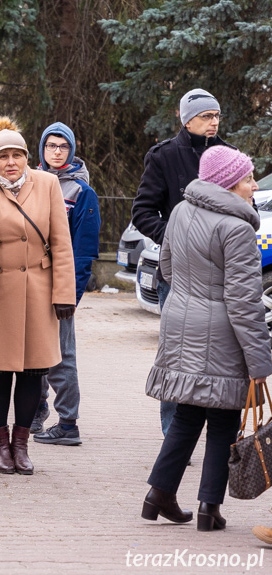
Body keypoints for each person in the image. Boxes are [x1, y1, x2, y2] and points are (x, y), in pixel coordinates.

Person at [142, 147, 271, 532]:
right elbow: (244, 301)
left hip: (180, 327)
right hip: (222, 336)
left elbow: (166, 268)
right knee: (224, 419)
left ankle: (158, 495)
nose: (253, 186)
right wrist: (261, 363)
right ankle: (208, 509)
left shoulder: (180, 212)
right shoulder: (237, 229)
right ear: (230, 183)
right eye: (248, 179)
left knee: (186, 414)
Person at [0, 117, 75, 476]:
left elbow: (61, 242)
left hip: (37, 291)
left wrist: (64, 293)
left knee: (32, 373)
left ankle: (21, 445)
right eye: (3, 156)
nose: (11, 162)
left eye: (18, 155)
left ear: (28, 157)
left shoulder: (47, 184)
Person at [131, 88, 234, 437]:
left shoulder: (229, 156)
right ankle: (174, 433)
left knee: (220, 354)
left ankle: (217, 427)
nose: (214, 122)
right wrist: (177, 238)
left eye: (217, 115)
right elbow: (142, 212)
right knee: (176, 356)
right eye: (206, 116)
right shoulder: (164, 156)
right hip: (177, 274)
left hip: (220, 272)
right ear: (186, 118)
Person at [31, 122, 101, 445]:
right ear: (42, 149)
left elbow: (84, 251)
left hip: (60, 287)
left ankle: (68, 423)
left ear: (71, 150)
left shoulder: (82, 193)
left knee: (61, 356)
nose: (56, 152)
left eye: (62, 146)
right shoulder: (30, 183)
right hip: (30, 284)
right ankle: (34, 412)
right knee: (31, 353)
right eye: (50, 146)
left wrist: (70, 295)